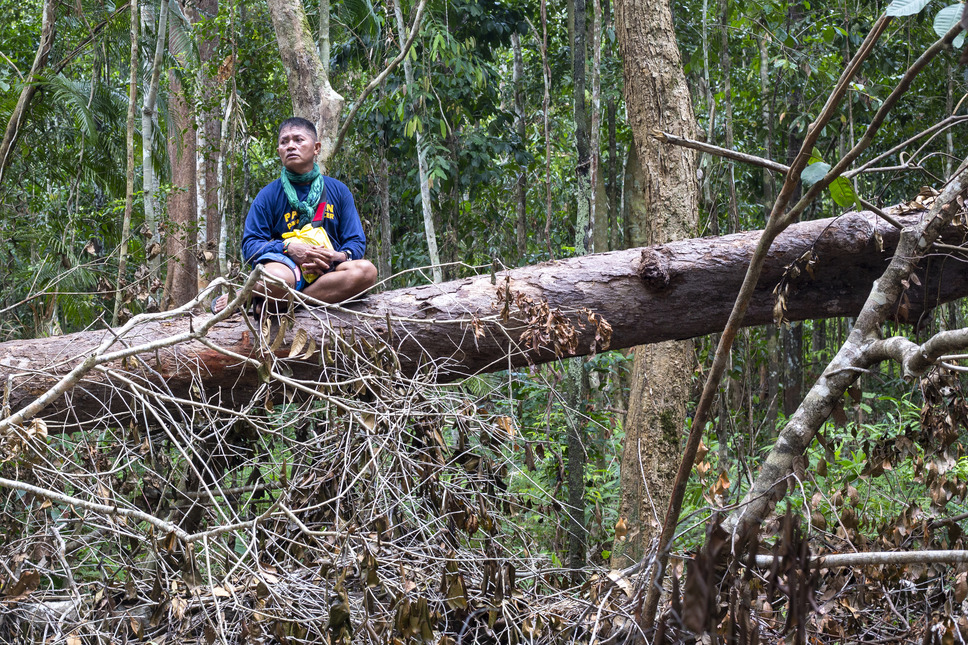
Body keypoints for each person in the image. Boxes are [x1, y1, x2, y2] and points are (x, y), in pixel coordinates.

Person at [213, 117, 377, 313]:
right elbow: (250, 245)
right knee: (276, 280)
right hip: (287, 270)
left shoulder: (338, 191)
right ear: (279, 151)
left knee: (366, 272)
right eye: (284, 142)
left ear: (316, 148)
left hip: (328, 271)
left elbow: (355, 241)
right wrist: (288, 248)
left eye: (298, 140)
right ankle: (279, 296)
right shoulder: (268, 195)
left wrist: (336, 255)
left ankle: (278, 300)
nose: (290, 146)